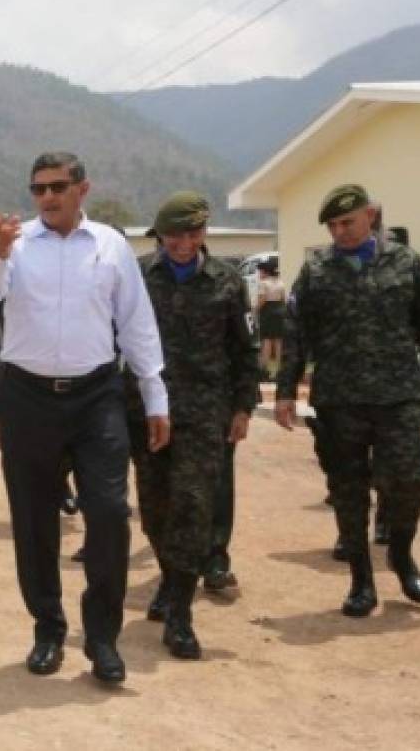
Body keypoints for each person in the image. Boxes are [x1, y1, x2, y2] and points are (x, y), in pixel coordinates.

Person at [0, 152, 169, 686]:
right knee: (34, 522)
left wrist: (155, 395)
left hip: (96, 395)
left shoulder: (110, 245)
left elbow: (136, 322)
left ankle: (101, 637)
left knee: (107, 514)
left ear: (83, 188)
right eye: (38, 188)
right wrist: (0, 252)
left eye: (58, 186)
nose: (47, 197)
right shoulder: (13, 242)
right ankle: (48, 628)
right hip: (27, 397)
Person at [276, 184, 420, 617]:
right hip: (340, 398)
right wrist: (285, 390)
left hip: (398, 393)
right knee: (349, 490)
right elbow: (295, 335)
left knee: (410, 480)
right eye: (333, 226)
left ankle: (400, 554)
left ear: (370, 216)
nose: (340, 232)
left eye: (348, 222)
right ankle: (361, 578)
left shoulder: (405, 263)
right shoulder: (316, 271)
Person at [127, 193, 259, 659]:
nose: (184, 243)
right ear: (159, 236)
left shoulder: (226, 281)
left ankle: (180, 611)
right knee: (156, 510)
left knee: (194, 507)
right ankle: (169, 576)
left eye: (194, 233)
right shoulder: (137, 276)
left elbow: (245, 349)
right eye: (174, 235)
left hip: (206, 412)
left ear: (205, 233)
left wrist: (244, 406)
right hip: (146, 412)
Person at [255, 258, 285, 380]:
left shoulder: (264, 283)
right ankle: (281, 369)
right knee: (278, 341)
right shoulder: (280, 282)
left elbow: (262, 300)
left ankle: (264, 370)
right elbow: (283, 299)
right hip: (280, 310)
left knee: (266, 340)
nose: (259, 274)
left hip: (268, 311)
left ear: (266, 272)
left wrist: (254, 309)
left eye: (261, 271)